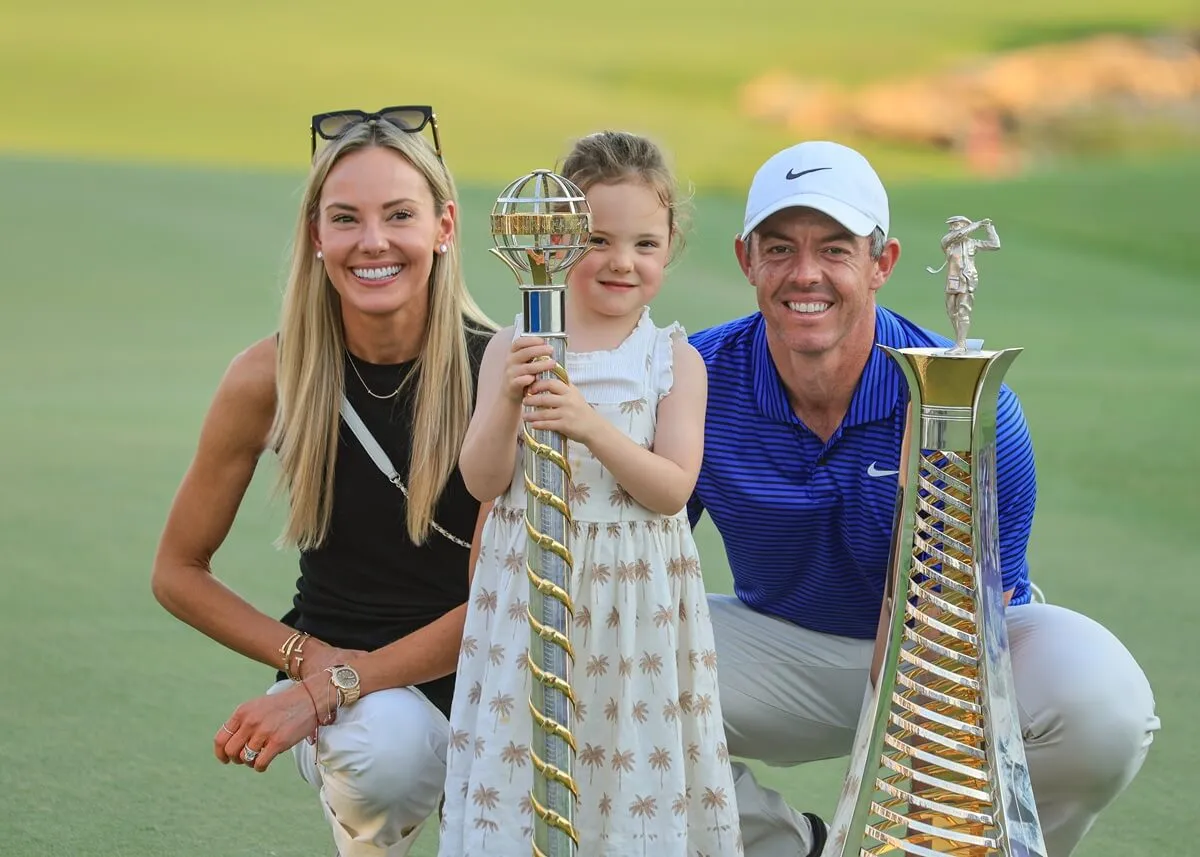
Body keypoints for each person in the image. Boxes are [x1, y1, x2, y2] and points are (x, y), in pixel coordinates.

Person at [686, 140, 1160, 857]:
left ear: (884, 263)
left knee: (1105, 705)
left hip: (959, 652)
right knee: (600, 657)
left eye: (836, 249)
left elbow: (978, 607)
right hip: (783, 649)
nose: (804, 273)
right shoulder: (695, 378)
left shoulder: (968, 402)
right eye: (779, 248)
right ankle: (790, 847)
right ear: (745, 258)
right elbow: (643, 552)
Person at [150, 108, 497, 857]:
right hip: (356, 704)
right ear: (316, 236)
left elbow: (500, 603)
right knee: (384, 754)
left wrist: (324, 690)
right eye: (346, 218)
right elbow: (178, 571)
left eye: (399, 215)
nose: (373, 242)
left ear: (443, 226)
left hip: (491, 671)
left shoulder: (501, 374)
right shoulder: (267, 376)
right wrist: (316, 669)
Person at [438, 131, 742, 857]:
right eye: (598, 239)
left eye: (645, 243)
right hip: (530, 592)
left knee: (623, 757)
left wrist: (589, 426)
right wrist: (509, 399)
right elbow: (482, 479)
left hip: (634, 605)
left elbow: (671, 489)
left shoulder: (672, 358)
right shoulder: (515, 346)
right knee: (528, 754)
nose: (621, 261)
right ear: (559, 240)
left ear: (669, 247)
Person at [926, 214, 1001, 352]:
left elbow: (995, 245)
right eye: (951, 225)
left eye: (956, 225)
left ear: (965, 225)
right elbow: (957, 235)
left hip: (967, 280)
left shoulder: (973, 243)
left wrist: (989, 228)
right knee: (951, 311)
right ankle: (961, 341)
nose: (952, 228)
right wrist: (976, 225)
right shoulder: (948, 242)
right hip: (953, 281)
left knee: (963, 311)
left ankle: (960, 344)